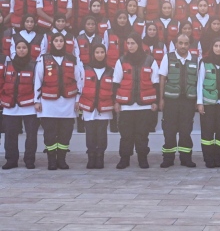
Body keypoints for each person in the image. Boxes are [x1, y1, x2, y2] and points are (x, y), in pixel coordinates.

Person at [34, 33, 84, 170]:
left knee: (65, 133)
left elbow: (79, 80)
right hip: (48, 104)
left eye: (61, 40)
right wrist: (36, 101)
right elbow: (38, 80)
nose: (59, 43)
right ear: (52, 43)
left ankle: (61, 160)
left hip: (68, 103)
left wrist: (78, 100)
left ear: (65, 43)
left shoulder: (72, 59)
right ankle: (51, 160)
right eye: (56, 40)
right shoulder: (43, 59)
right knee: (49, 133)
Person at [113, 32, 160, 169]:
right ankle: (124, 159)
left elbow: (155, 83)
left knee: (142, 135)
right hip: (126, 106)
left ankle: (142, 159)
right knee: (126, 135)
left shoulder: (150, 60)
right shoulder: (121, 61)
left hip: (144, 106)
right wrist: (115, 102)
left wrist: (155, 102)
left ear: (139, 44)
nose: (130, 46)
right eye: (128, 43)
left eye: (133, 43)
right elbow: (116, 83)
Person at [158, 33, 199, 168]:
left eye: (186, 43)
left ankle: (186, 158)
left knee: (186, 130)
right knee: (169, 130)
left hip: (188, 101)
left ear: (189, 45)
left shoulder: (195, 60)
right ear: (175, 44)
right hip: (171, 100)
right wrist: (161, 99)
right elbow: (162, 78)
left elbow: (198, 82)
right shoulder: (168, 58)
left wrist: (197, 101)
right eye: (180, 43)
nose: (183, 46)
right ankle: (168, 159)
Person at [0, 41, 38, 169]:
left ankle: (29, 160)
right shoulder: (8, 63)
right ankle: (11, 160)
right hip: (10, 106)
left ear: (28, 49)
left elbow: (37, 84)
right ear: (15, 49)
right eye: (19, 48)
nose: (21, 50)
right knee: (10, 135)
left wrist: (37, 101)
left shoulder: (34, 64)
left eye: (24, 48)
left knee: (31, 135)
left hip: (29, 106)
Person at [197, 37, 220, 168]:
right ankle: (208, 159)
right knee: (207, 132)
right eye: (215, 46)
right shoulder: (204, 62)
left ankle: (218, 159)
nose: (218, 48)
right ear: (212, 47)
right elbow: (200, 83)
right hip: (207, 103)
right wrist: (200, 103)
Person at [78, 43, 113, 169]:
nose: (99, 55)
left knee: (102, 134)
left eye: (102, 52)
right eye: (97, 52)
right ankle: (91, 157)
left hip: (104, 108)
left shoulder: (110, 70)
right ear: (93, 54)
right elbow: (80, 86)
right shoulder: (85, 68)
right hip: (89, 107)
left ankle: (100, 157)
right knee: (90, 133)